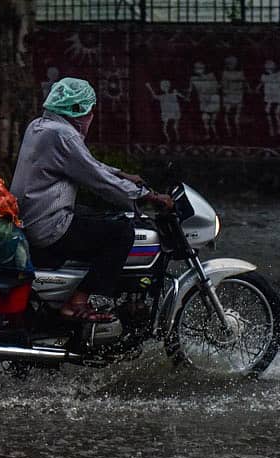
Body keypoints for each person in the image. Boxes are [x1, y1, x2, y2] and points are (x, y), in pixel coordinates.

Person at [11, 77, 172, 323]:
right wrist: (148, 196)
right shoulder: (64, 135)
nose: (91, 116)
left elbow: (85, 163)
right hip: (48, 227)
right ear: (77, 110)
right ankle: (77, 303)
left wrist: (122, 174)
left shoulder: (40, 126)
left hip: (33, 217)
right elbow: (98, 179)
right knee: (121, 232)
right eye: (89, 110)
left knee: (100, 216)